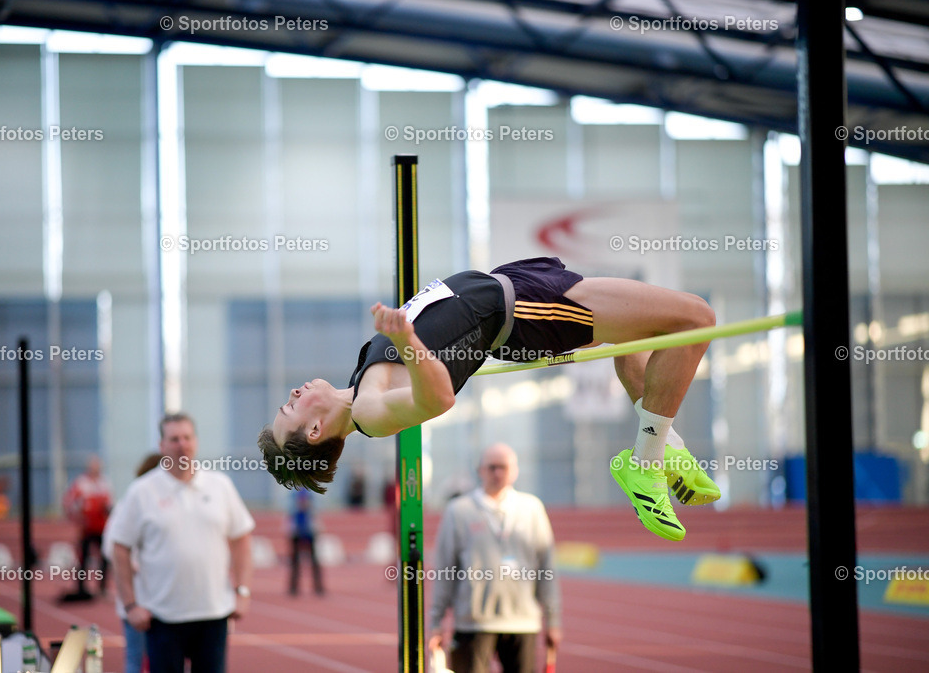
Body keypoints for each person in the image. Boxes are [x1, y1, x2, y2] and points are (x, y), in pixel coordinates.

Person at [258, 256, 720, 541]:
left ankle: (664, 450)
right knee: (696, 318)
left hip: (513, 289)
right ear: (315, 431)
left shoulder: (359, 383)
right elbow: (438, 399)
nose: (295, 393)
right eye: (289, 409)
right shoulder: (369, 412)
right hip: (523, 311)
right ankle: (648, 460)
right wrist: (408, 340)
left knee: (641, 340)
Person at [109, 413, 255, 673]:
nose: (182, 445)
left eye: (187, 437)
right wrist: (130, 605)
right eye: (174, 439)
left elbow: (242, 538)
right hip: (162, 617)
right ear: (162, 445)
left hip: (213, 614)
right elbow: (119, 547)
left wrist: (242, 591)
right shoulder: (142, 491)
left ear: (196, 441)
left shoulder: (220, 485)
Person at [428, 443, 559, 673]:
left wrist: (553, 620)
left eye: (504, 467)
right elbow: (445, 569)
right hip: (473, 622)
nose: (497, 473)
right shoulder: (459, 510)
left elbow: (546, 566)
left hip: (522, 622)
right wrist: (436, 621)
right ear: (480, 470)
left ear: (515, 471)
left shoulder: (532, 509)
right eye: (491, 467)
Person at [102, 453, 163, 673]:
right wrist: (135, 565)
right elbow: (111, 545)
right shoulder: (130, 502)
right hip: (137, 596)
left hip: (167, 599)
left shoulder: (172, 504)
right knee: (135, 659)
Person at [63, 455, 112, 597]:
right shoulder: (81, 483)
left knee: (105, 557)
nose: (96, 470)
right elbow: (69, 502)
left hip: (102, 528)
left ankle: (102, 587)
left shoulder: (105, 482)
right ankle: (81, 587)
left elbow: (109, 503)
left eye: (98, 468)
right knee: (83, 558)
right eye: (94, 467)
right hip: (86, 528)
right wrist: (78, 518)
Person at [286, 489, 324, 596]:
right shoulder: (294, 499)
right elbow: (289, 519)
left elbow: (316, 518)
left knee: (314, 562)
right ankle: (293, 587)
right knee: (295, 562)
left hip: (309, 533)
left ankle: (318, 587)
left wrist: (317, 530)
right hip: (297, 534)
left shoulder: (311, 497)